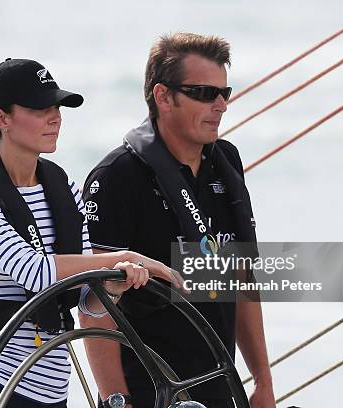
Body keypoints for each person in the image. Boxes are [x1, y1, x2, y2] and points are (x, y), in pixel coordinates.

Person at [0, 58, 182, 408]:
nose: (55, 117)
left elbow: (86, 296)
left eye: (56, 106)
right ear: (1, 118)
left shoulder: (62, 186)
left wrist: (110, 285)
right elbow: (34, 272)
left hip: (52, 389)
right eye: (39, 108)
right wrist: (125, 258)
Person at [79, 33, 276, 408]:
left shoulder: (226, 163)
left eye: (224, 93)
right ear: (163, 96)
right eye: (203, 93)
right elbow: (95, 307)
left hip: (219, 385)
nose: (219, 105)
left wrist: (263, 384)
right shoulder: (116, 177)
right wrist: (117, 400)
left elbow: (241, 277)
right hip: (148, 391)